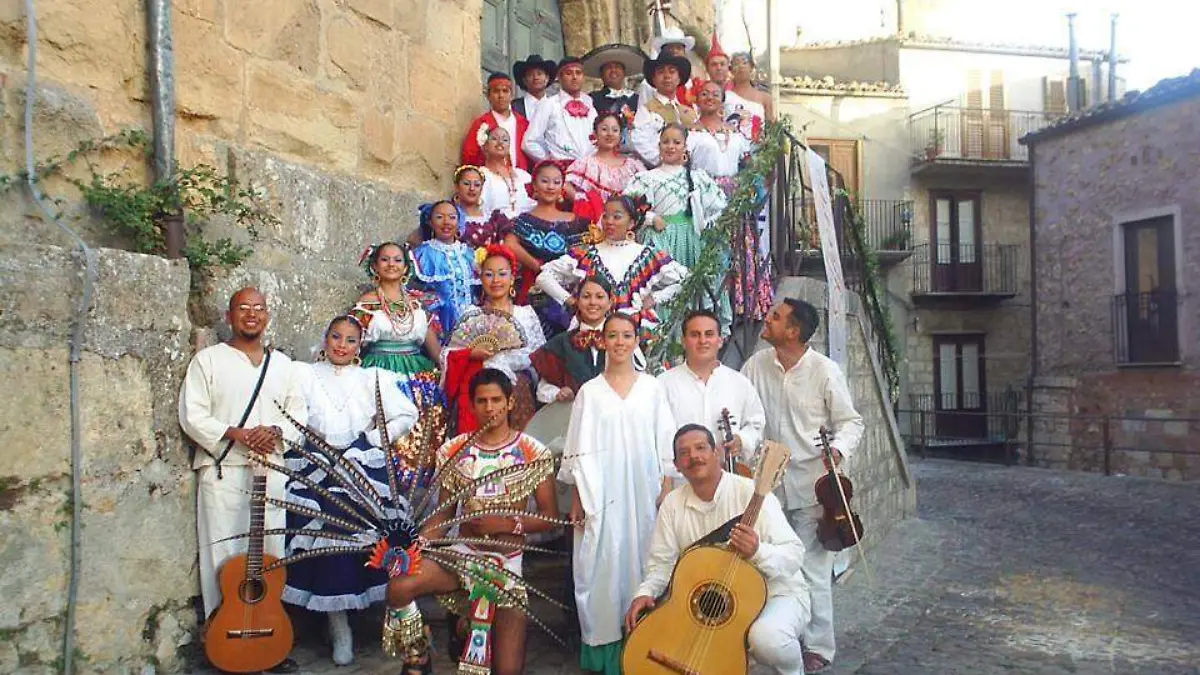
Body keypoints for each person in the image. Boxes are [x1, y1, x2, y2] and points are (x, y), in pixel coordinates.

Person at [384, 367, 559, 675]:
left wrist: (506, 525)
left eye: (495, 400)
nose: (489, 408)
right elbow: (444, 514)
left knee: (506, 671)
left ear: (509, 403)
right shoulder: (454, 450)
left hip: (506, 570)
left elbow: (550, 518)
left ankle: (464, 626)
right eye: (482, 401)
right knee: (400, 585)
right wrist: (420, 543)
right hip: (461, 558)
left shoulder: (532, 451)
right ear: (472, 404)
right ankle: (418, 656)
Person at [178, 287, 306, 674]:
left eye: (259, 309)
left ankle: (266, 638)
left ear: (267, 316)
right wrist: (236, 433)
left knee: (269, 557)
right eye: (243, 308)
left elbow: (299, 414)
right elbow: (192, 415)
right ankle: (225, 640)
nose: (252, 315)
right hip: (223, 471)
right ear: (230, 315)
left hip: (271, 473)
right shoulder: (209, 360)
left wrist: (274, 431)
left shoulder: (283, 365)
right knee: (223, 558)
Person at [282, 315, 419, 666]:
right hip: (317, 461)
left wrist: (371, 440)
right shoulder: (303, 374)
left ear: (361, 346)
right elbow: (290, 414)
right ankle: (337, 623)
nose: (342, 345)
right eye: (336, 337)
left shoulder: (372, 377)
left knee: (371, 534)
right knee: (326, 533)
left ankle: (379, 616)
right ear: (325, 339)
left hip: (360, 462)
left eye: (351, 340)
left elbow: (406, 414)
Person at [741, 298, 865, 675]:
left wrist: (838, 452)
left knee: (812, 567)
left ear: (792, 331)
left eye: (775, 317)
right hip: (769, 484)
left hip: (814, 486)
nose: (767, 318)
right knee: (768, 563)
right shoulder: (755, 365)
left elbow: (851, 422)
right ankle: (774, 635)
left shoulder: (826, 371)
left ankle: (818, 647)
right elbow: (745, 411)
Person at [624, 424, 810, 675]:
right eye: (684, 453)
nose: (694, 457)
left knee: (767, 640)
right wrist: (645, 592)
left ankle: (794, 668)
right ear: (677, 465)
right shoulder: (672, 505)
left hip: (777, 593)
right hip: (708, 604)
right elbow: (662, 564)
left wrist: (757, 551)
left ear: (717, 454)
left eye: (701, 448)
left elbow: (794, 554)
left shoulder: (753, 494)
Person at [559, 312, 678, 675]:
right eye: (613, 336)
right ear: (603, 341)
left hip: (644, 492)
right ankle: (608, 654)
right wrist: (579, 498)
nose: (620, 342)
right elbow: (577, 450)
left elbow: (666, 443)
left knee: (646, 559)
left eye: (627, 335)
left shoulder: (653, 388)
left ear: (637, 340)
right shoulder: (590, 393)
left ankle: (648, 647)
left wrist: (667, 488)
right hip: (602, 495)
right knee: (602, 565)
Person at [624, 124, 728, 329]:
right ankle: (664, 340)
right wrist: (651, 218)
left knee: (694, 289)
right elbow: (629, 207)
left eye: (676, 142)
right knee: (664, 286)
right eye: (666, 142)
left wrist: (704, 223)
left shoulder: (698, 178)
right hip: (660, 241)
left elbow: (719, 205)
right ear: (659, 145)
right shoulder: (647, 178)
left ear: (685, 147)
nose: (670, 146)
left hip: (692, 240)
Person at [535, 192, 686, 333]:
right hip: (592, 330)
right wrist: (571, 301)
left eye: (617, 217)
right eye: (606, 216)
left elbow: (687, 281)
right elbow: (544, 277)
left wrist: (655, 298)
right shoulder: (587, 253)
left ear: (631, 223)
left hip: (633, 331)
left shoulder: (647, 254)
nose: (609, 222)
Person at [689, 80, 773, 319]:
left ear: (723, 100)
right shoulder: (690, 133)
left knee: (739, 248)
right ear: (696, 99)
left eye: (715, 94)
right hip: (705, 197)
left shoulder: (736, 134)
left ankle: (741, 306)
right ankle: (711, 308)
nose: (710, 98)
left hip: (734, 198)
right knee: (712, 249)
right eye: (704, 93)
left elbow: (746, 163)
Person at [441, 245, 546, 433]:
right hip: (478, 389)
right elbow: (448, 353)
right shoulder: (471, 314)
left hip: (517, 387)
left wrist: (502, 359)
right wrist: (471, 354)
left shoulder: (526, 315)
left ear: (512, 278)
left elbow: (539, 358)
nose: (496, 280)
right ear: (480, 279)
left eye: (502, 274)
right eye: (489, 274)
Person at [658, 309, 765, 457]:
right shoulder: (663, 384)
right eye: (695, 335)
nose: (703, 341)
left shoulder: (739, 383)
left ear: (720, 341)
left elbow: (756, 423)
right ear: (683, 341)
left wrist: (741, 440)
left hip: (727, 475)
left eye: (709, 334)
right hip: (679, 476)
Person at [352, 242, 444, 410]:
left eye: (397, 260)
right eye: (385, 259)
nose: (391, 264)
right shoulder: (367, 302)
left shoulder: (416, 303)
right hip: (379, 369)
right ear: (375, 266)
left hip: (417, 371)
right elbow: (352, 341)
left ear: (406, 267)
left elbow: (434, 349)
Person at [504, 161, 591, 336]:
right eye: (545, 181)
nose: (551, 187)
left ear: (562, 187)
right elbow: (510, 244)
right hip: (535, 290)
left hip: (572, 291)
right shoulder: (524, 220)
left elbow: (586, 251)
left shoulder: (576, 221)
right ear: (534, 185)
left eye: (556, 182)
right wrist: (537, 266)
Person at [529, 276, 613, 405]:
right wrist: (559, 392)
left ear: (610, 303)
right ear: (577, 301)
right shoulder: (560, 344)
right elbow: (543, 390)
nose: (592, 302)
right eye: (586, 296)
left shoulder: (621, 340)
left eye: (599, 297)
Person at [411, 200, 479, 337]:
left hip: (473, 325)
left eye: (452, 217)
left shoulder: (469, 254)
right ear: (430, 222)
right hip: (438, 326)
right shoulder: (422, 255)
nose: (446, 222)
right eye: (439, 217)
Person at [523, 56, 598, 167]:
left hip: (591, 170)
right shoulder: (549, 104)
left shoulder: (590, 105)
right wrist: (550, 163)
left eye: (578, 73)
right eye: (569, 73)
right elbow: (529, 142)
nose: (574, 77)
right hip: (562, 173)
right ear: (559, 77)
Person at [631, 55, 699, 166]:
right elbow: (639, 141)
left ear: (679, 78)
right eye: (661, 72)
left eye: (672, 72)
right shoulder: (646, 110)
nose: (667, 76)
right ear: (654, 79)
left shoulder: (690, 112)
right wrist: (662, 161)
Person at [564, 112, 644, 202]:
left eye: (615, 130)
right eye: (604, 129)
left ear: (620, 135)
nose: (610, 134)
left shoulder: (633, 165)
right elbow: (565, 184)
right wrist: (582, 201)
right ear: (595, 133)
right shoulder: (586, 163)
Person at [462, 73, 530, 171]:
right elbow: (469, 157)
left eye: (505, 91)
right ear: (488, 96)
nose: (501, 95)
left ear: (512, 95)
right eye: (496, 91)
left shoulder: (523, 124)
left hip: (519, 179)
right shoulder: (482, 124)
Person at [478, 127, 536, 222]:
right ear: (485, 146)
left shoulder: (522, 175)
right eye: (494, 139)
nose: (500, 142)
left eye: (505, 140)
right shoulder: (481, 175)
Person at [638, 27, 696, 107]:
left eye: (678, 48)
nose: (675, 51)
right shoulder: (647, 85)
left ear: (684, 52)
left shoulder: (691, 84)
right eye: (670, 48)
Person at [583, 43, 643, 118]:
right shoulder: (592, 99)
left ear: (624, 72)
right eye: (608, 67)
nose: (613, 70)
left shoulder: (637, 99)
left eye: (617, 67)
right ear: (601, 74)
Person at [726, 51, 774, 142]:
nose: (741, 66)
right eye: (736, 64)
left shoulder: (765, 98)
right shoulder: (725, 96)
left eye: (744, 62)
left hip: (758, 150)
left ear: (751, 67)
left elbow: (771, 129)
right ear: (731, 70)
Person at [512, 54, 557, 122]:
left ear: (547, 78)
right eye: (530, 75)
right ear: (524, 80)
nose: (536, 78)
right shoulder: (513, 107)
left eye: (539, 74)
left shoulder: (555, 106)